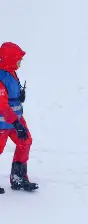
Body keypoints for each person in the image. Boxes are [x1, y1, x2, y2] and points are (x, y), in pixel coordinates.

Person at [0, 42, 39, 194]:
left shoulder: (11, 72)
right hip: (3, 123)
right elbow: (2, 106)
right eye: (18, 59)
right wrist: (16, 123)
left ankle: (18, 178)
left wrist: (18, 97)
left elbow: (9, 98)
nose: (20, 62)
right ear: (9, 59)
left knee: (25, 141)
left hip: (15, 120)